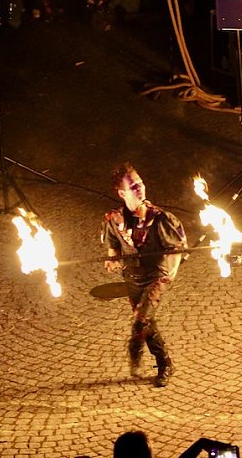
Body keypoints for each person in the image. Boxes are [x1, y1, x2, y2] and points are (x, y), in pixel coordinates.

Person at [101, 162, 187, 387]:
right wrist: (113, 259)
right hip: (132, 278)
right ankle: (165, 361)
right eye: (133, 186)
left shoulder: (160, 219)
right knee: (146, 321)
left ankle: (140, 351)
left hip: (157, 276)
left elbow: (177, 249)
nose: (140, 188)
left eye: (140, 183)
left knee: (140, 321)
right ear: (122, 193)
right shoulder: (114, 219)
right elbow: (113, 246)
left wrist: (170, 274)